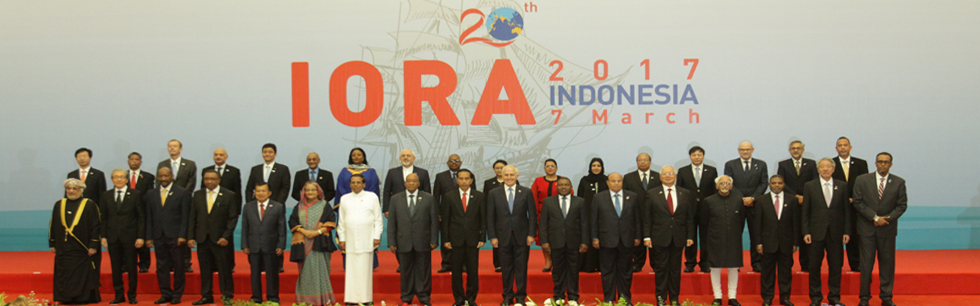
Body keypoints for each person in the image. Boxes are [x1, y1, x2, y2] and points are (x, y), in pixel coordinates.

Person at [853, 153, 907, 306]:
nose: (883, 164)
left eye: (886, 162)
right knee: (866, 265)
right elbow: (857, 202)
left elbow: (901, 206)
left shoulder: (899, 182)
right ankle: (864, 297)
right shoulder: (862, 180)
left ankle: (886, 297)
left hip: (887, 230)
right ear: (876, 163)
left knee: (887, 265)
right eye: (880, 162)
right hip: (867, 229)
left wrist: (886, 219)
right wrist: (875, 218)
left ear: (891, 164)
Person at [802, 158, 851, 306]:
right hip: (815, 232)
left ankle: (834, 297)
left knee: (836, 266)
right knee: (814, 266)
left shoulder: (842, 186)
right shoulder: (809, 186)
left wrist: (846, 231)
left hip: (836, 232)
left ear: (833, 169)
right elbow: (805, 211)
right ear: (818, 169)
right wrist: (806, 231)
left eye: (828, 166)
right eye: (822, 166)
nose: (825, 169)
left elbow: (847, 211)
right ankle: (815, 298)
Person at [643, 166, 695, 306]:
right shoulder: (652, 193)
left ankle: (674, 298)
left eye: (671, 173)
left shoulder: (685, 193)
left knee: (675, 270)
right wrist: (647, 237)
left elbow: (689, 218)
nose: (668, 176)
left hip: (678, 238)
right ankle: (660, 298)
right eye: (665, 174)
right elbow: (647, 218)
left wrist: (690, 236)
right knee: (661, 269)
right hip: (659, 237)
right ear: (660, 177)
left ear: (676, 176)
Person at [188, 170, 241, 305]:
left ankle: (227, 295)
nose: (209, 181)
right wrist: (191, 237)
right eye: (206, 179)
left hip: (221, 240)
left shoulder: (229, 195)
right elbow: (192, 217)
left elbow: (232, 218)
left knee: (224, 268)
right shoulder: (198, 195)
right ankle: (206, 295)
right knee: (205, 269)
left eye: (212, 179)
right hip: (202, 238)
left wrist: (226, 237)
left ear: (218, 180)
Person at [486, 165, 536, 306]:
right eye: (506, 175)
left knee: (521, 268)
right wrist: (492, 236)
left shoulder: (526, 192)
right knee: (506, 268)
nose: (509, 177)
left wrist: (531, 234)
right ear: (502, 176)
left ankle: (520, 296)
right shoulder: (494, 193)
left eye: (512, 175)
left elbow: (532, 215)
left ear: (517, 176)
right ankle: (507, 296)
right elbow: (490, 216)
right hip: (502, 237)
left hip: (522, 236)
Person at [388, 173, 439, 306]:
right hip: (403, 241)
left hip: (423, 240)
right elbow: (392, 222)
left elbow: (434, 221)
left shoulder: (429, 198)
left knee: (424, 271)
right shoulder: (395, 199)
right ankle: (406, 297)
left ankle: (424, 297)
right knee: (405, 271)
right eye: (409, 181)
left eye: (414, 181)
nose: (411, 183)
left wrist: (434, 239)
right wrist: (391, 242)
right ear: (405, 183)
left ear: (418, 184)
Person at [591, 173, 641, 306]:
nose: (616, 183)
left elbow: (637, 218)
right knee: (607, 271)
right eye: (613, 181)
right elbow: (594, 219)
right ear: (608, 183)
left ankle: (625, 298)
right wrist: (595, 237)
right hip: (606, 239)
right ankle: (609, 298)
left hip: (627, 239)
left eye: (619, 181)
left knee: (626, 271)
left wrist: (637, 236)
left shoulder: (632, 196)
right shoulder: (598, 197)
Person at [50, 178, 102, 305]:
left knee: (81, 274)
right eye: (69, 189)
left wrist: (93, 245)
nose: (71, 191)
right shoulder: (59, 204)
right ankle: (65, 297)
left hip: (82, 249)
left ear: (81, 190)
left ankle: (82, 297)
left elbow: (96, 226)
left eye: (74, 188)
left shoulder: (89, 204)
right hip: (63, 248)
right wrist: (52, 242)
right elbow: (53, 224)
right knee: (64, 272)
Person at [145, 167, 191, 305]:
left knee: (179, 265)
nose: (163, 178)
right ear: (157, 177)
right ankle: (165, 293)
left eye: (166, 175)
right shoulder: (151, 194)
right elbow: (149, 217)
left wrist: (183, 235)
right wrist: (149, 237)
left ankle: (177, 294)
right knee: (161, 266)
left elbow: (186, 216)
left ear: (172, 176)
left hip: (177, 236)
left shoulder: (183, 192)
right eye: (161, 176)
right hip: (158, 236)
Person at [337, 174, 384, 305]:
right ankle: (350, 299)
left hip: (366, 239)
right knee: (351, 271)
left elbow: (378, 219)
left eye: (358, 182)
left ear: (364, 184)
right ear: (350, 184)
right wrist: (342, 238)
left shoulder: (372, 197)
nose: (356, 185)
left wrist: (377, 236)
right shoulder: (344, 198)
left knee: (365, 271)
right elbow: (341, 221)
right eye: (353, 182)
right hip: (350, 240)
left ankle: (366, 299)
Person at [540, 177, 588, 306]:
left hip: (575, 242)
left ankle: (573, 297)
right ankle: (559, 296)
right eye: (561, 185)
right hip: (556, 242)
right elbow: (543, 223)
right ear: (557, 187)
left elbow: (584, 223)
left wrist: (584, 241)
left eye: (566, 185)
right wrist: (544, 241)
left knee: (573, 270)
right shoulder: (548, 202)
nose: (563, 187)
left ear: (571, 187)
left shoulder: (580, 201)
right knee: (557, 270)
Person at [100, 169, 146, 305]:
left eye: (122, 177)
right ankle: (119, 295)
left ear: (126, 179)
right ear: (112, 180)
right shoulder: (106, 195)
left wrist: (140, 236)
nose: (119, 179)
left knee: (131, 267)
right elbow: (103, 218)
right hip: (113, 237)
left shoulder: (136, 194)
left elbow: (141, 217)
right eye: (116, 177)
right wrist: (103, 236)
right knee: (115, 267)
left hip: (131, 237)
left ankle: (132, 295)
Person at [752, 175, 799, 306]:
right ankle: (767, 298)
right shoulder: (761, 200)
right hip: (767, 242)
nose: (776, 185)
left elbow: (796, 223)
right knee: (767, 272)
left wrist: (795, 242)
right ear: (769, 185)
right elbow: (757, 224)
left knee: (786, 272)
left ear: (784, 184)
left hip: (786, 243)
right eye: (774, 183)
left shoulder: (792, 200)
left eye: (779, 183)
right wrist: (758, 242)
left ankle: (785, 298)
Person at [289, 181, 338, 306]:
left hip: (320, 243)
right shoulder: (299, 206)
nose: (310, 192)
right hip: (303, 244)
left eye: (313, 190)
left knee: (321, 271)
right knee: (305, 272)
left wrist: (316, 232)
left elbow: (331, 222)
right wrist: (305, 232)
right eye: (307, 190)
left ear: (318, 192)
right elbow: (292, 222)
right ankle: (306, 300)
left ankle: (322, 299)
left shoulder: (324, 205)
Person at [442, 170, 486, 306]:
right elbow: (445, 220)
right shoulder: (449, 196)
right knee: (456, 271)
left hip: (473, 239)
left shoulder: (479, 196)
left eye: (467, 178)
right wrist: (446, 239)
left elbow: (483, 219)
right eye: (461, 178)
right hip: (455, 240)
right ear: (457, 180)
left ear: (471, 180)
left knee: (472, 271)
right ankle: (459, 298)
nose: (464, 181)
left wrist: (482, 238)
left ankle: (471, 298)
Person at [723, 141, 768, 272]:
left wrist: (752, 198)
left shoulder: (761, 164)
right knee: (735, 235)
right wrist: (741, 199)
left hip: (755, 204)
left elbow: (763, 183)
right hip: (737, 204)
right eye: (742, 149)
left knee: (756, 234)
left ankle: (757, 262)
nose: (745, 152)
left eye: (748, 149)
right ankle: (735, 263)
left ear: (753, 150)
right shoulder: (730, 164)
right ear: (738, 150)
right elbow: (729, 183)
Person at [246, 143, 291, 273]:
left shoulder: (282, 169)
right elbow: (249, 188)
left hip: (275, 209)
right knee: (257, 235)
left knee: (276, 235)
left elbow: (285, 188)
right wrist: (250, 206)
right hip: (257, 208)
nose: (267, 154)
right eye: (265, 152)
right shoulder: (255, 169)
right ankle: (259, 264)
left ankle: (278, 264)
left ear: (275, 154)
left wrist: (277, 205)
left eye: (270, 152)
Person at [703, 175, 746, 306]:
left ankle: (732, 297)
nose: (725, 186)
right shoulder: (708, 201)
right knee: (715, 268)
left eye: (728, 183)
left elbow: (741, 221)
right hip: (714, 239)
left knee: (733, 268)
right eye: (722, 183)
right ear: (717, 186)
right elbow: (704, 223)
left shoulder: (738, 201)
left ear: (731, 186)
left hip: (734, 239)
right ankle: (717, 297)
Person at [241, 183, 287, 304]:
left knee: (272, 274)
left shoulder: (278, 207)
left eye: (263, 191)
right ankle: (256, 297)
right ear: (254, 193)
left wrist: (280, 245)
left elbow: (282, 228)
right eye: (258, 191)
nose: (260, 193)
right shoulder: (248, 207)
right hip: (253, 246)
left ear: (269, 193)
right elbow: (245, 227)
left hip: (271, 245)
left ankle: (273, 297)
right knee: (255, 274)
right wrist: (245, 245)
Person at [157, 139, 198, 273]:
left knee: (183, 231)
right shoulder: (162, 164)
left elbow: (191, 182)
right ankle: (169, 263)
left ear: (180, 149)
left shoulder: (190, 164)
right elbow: (159, 182)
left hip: (184, 201)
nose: (172, 148)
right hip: (167, 203)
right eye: (170, 146)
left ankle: (185, 263)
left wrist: (181, 195)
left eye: (175, 146)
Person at [776, 141, 817, 272]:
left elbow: (814, 181)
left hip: (807, 203)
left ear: (803, 150)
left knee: (806, 233)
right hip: (790, 203)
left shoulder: (811, 164)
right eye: (793, 148)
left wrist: (805, 196)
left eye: (798, 148)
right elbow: (781, 183)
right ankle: (788, 264)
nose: (795, 150)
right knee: (790, 233)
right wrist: (795, 196)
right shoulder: (783, 165)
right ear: (789, 150)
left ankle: (806, 264)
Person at [675, 146, 717, 273]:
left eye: (699, 155)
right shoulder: (683, 171)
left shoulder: (712, 170)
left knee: (706, 237)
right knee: (690, 236)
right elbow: (679, 190)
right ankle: (690, 263)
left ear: (703, 156)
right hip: (689, 209)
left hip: (706, 209)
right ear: (690, 156)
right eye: (694, 155)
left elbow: (714, 191)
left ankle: (705, 263)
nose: (697, 157)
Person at [201, 148, 243, 272]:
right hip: (210, 209)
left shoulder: (234, 171)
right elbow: (202, 191)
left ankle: (229, 265)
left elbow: (237, 192)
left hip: (227, 210)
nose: (218, 157)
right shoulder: (206, 170)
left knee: (226, 237)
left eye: (221, 155)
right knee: (210, 238)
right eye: (216, 155)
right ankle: (213, 265)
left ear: (226, 157)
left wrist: (237, 211)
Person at [832, 136, 869, 272]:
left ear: (850, 147)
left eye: (845, 145)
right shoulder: (831, 163)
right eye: (840, 145)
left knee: (854, 236)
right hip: (837, 206)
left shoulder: (861, 163)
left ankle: (856, 263)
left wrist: (856, 198)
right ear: (836, 148)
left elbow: (865, 183)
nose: (843, 147)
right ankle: (837, 265)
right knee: (836, 237)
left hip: (855, 206)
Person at [622, 153, 660, 272]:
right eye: (640, 160)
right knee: (637, 238)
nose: (642, 162)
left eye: (645, 160)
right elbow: (625, 195)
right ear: (636, 162)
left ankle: (655, 264)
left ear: (650, 162)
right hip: (635, 213)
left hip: (654, 213)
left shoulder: (657, 176)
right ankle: (637, 263)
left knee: (654, 239)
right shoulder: (628, 177)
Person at [531, 158, 569, 272]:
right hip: (542, 215)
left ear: (556, 168)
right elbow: (533, 198)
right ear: (544, 168)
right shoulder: (538, 181)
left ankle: (558, 261)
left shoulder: (562, 180)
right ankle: (548, 261)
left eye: (552, 166)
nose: (550, 168)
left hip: (559, 216)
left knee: (558, 238)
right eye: (547, 166)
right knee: (544, 238)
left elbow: (569, 195)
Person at [484, 159, 520, 273]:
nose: (499, 170)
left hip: (511, 217)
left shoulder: (514, 182)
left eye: (501, 168)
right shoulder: (489, 183)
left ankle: (512, 263)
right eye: (497, 168)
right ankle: (498, 264)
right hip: (496, 217)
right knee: (497, 242)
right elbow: (486, 200)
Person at [433, 154, 463, 273]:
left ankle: (462, 264)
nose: (454, 162)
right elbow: (436, 197)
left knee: (462, 239)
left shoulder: (466, 175)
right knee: (446, 238)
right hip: (445, 213)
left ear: (461, 163)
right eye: (451, 161)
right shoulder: (440, 176)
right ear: (447, 163)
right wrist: (437, 213)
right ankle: (446, 264)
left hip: (463, 213)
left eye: (456, 160)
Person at [576, 158, 606, 273]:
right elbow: (580, 198)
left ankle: (602, 265)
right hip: (588, 215)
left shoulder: (607, 180)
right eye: (594, 165)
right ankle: (589, 265)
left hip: (604, 216)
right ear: (590, 167)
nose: (596, 168)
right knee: (588, 238)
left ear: (602, 167)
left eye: (598, 165)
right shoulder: (584, 180)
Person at [127, 152, 155, 273]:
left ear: (141, 162)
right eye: (132, 159)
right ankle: (127, 264)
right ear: (128, 161)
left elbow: (149, 194)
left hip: (142, 211)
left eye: (137, 159)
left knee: (142, 237)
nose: (134, 161)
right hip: (126, 212)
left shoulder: (148, 177)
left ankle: (144, 264)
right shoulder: (122, 176)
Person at [383, 149, 432, 216]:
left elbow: (427, 192)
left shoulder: (423, 173)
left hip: (418, 208)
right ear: (400, 158)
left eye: (408, 156)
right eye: (403, 156)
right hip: (397, 208)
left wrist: (428, 208)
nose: (405, 157)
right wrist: (386, 209)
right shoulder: (392, 172)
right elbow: (387, 192)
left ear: (414, 158)